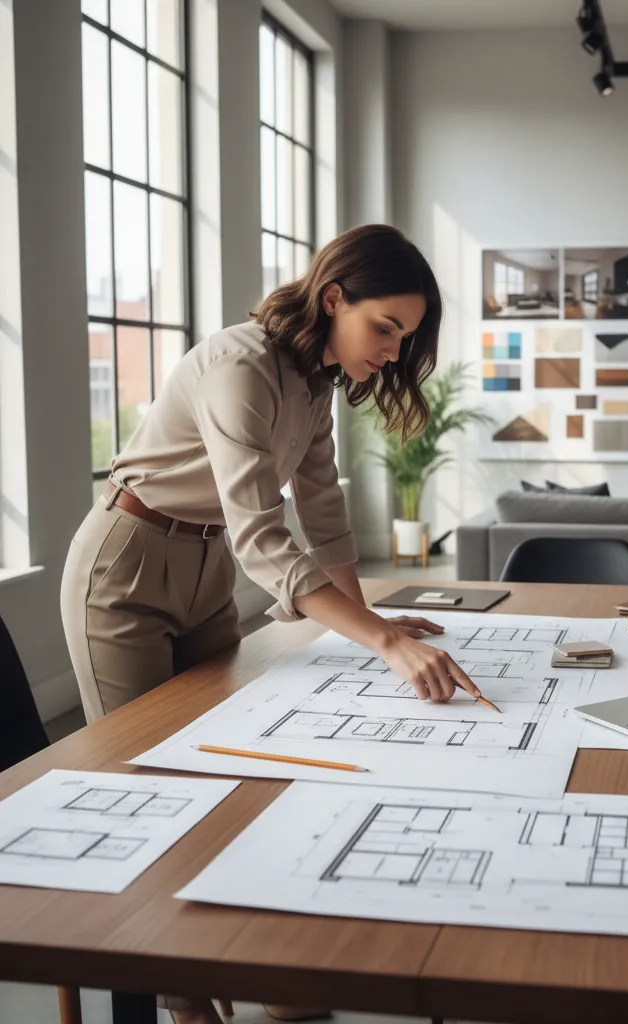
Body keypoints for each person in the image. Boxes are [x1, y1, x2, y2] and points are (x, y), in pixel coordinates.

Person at [61, 224, 482, 1024]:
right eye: (384, 326)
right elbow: (265, 538)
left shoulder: (312, 380)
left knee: (230, 778)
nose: (393, 351)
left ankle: (273, 978)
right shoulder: (240, 365)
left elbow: (321, 511)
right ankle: (190, 1007)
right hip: (126, 566)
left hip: (205, 572)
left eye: (406, 334)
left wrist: (366, 619)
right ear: (334, 299)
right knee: (153, 794)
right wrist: (381, 642)